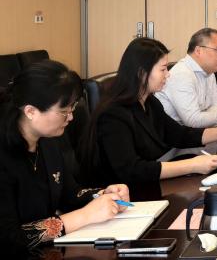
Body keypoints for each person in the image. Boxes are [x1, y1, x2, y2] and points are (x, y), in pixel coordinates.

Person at [79, 38, 217, 186]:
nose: (168, 75)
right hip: (127, 195)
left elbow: (179, 135)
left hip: (150, 182)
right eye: (163, 69)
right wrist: (192, 165)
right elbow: (132, 170)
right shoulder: (113, 114)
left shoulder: (150, 102)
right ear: (142, 73)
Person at [0, 60, 130, 255]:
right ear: (30, 111)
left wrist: (104, 195)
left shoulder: (47, 141)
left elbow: (70, 195)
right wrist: (84, 216)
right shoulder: (4, 156)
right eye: (64, 111)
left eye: (72, 108)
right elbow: (9, 238)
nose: (70, 117)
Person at [156, 28, 217, 128]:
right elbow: (193, 120)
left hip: (200, 130)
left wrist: (204, 116)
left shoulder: (209, 72)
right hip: (178, 134)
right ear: (198, 51)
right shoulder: (181, 74)